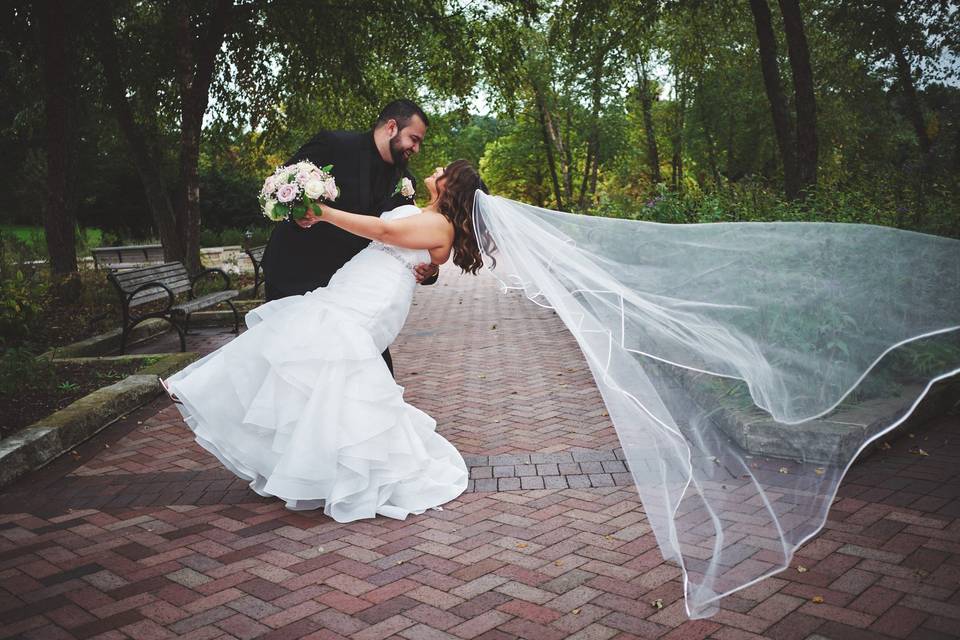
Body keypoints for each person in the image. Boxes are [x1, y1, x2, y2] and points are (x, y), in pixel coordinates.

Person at [163, 160, 487, 522]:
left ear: (452, 184)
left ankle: (200, 386)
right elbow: (424, 254)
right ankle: (321, 466)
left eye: (447, 168)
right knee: (312, 359)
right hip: (355, 284)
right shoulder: (425, 214)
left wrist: (323, 211)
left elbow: (383, 230)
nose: (438, 166)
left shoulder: (438, 223)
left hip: (373, 297)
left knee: (315, 347)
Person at [261, 99, 438, 375]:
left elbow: (408, 234)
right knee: (288, 366)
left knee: (370, 371)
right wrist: (296, 215)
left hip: (347, 290)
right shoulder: (333, 145)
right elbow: (280, 187)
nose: (416, 148)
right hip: (293, 272)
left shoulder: (405, 182)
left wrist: (431, 271)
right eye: (413, 139)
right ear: (392, 127)